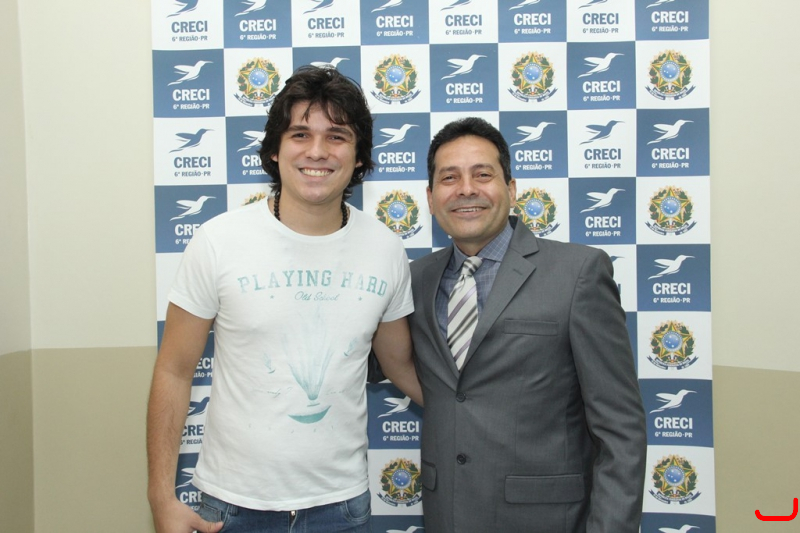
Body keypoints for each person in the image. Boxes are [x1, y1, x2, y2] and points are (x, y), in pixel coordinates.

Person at [146, 66, 422, 533]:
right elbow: (173, 370)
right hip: (231, 509)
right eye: (300, 134)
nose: (317, 151)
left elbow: (402, 366)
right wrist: (160, 498)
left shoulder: (386, 249)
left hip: (342, 508)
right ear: (275, 150)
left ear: (359, 156)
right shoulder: (218, 241)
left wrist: (485, 413)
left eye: (337, 136)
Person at [407, 117, 646, 532]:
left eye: (483, 175)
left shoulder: (578, 273)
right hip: (447, 515)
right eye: (449, 178)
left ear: (512, 189)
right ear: (430, 198)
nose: (466, 189)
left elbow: (620, 429)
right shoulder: (415, 280)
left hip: (546, 520)